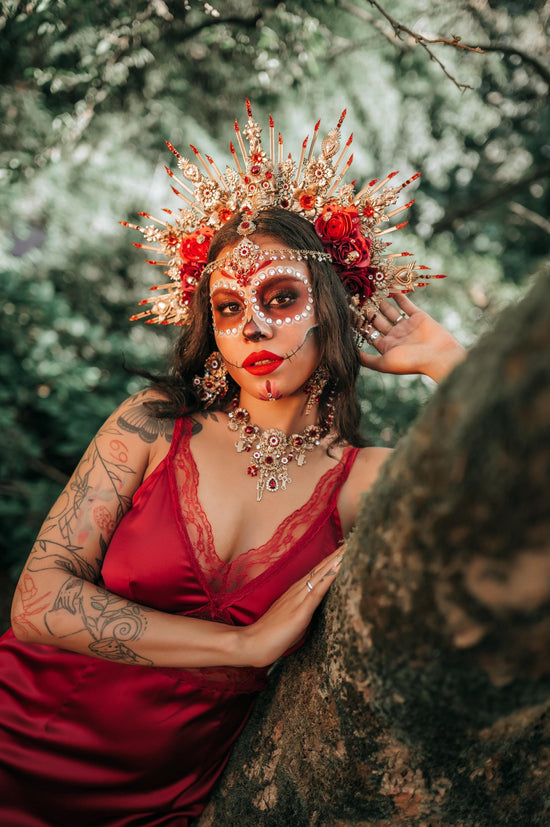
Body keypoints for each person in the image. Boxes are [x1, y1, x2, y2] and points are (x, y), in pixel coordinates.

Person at [0, 103, 465, 826]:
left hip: (149, 805)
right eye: (226, 305)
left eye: (280, 297)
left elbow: (518, 499)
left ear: (331, 310)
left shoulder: (362, 480)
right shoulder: (154, 424)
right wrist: (245, 644)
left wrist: (450, 362)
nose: (251, 324)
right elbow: (35, 604)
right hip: (17, 733)